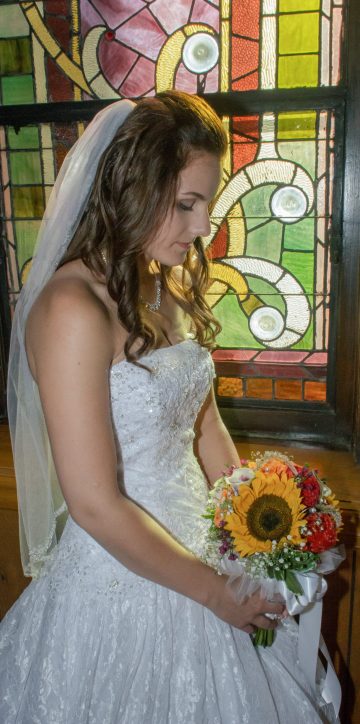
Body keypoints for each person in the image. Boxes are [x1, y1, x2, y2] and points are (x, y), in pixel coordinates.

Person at [0, 91, 337, 723]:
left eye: (205, 201)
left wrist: (258, 526)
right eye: (186, 203)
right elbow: (96, 504)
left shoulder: (165, 284)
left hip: (210, 548)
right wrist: (217, 593)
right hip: (126, 573)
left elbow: (205, 425)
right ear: (131, 188)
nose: (203, 225)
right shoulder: (72, 309)